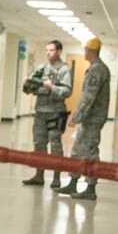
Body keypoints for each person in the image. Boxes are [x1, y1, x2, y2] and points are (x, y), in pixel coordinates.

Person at [61, 37, 110, 201]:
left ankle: (90, 187)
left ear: (92, 51)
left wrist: (76, 117)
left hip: (92, 119)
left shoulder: (97, 70)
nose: (85, 53)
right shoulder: (96, 68)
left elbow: (89, 97)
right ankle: (73, 182)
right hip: (89, 118)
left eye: (86, 50)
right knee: (77, 149)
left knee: (89, 152)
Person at [21, 39, 72, 188]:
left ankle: (56, 177)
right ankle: (39, 175)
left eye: (51, 50)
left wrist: (51, 87)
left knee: (55, 146)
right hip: (40, 112)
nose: (48, 53)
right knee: (39, 144)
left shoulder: (64, 70)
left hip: (55, 113)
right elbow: (31, 90)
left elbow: (67, 91)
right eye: (47, 50)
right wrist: (26, 86)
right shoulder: (41, 68)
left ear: (59, 52)